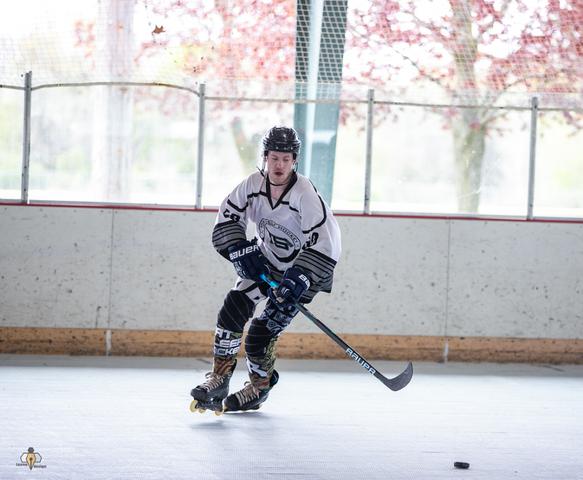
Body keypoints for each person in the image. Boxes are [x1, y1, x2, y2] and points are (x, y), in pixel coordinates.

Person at [190, 126, 342, 413]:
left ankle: (259, 387)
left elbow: (327, 243)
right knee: (233, 308)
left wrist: (300, 277)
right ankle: (219, 379)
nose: (279, 165)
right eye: (274, 158)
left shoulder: (304, 194)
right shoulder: (252, 184)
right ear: (265, 157)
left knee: (260, 335)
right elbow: (227, 218)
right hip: (266, 263)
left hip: (300, 274)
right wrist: (238, 248)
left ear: (294, 161)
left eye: (285, 159)